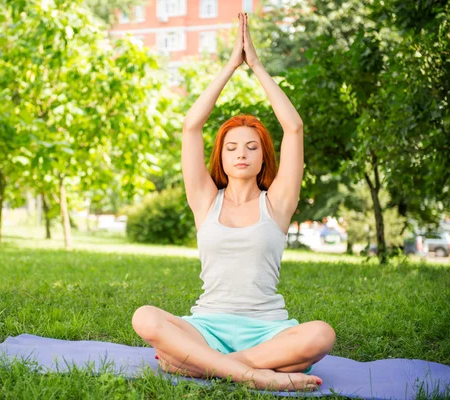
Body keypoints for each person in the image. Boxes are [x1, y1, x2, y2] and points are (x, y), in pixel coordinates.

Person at [131, 13, 335, 392]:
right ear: (220, 157)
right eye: (231, 146)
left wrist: (255, 64)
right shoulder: (205, 200)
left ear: (263, 157)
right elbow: (191, 125)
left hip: (268, 330)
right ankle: (256, 376)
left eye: (252, 146)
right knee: (144, 317)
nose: (241, 153)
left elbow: (294, 127)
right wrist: (230, 65)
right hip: (206, 327)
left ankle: (202, 367)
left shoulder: (278, 203)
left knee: (321, 335)